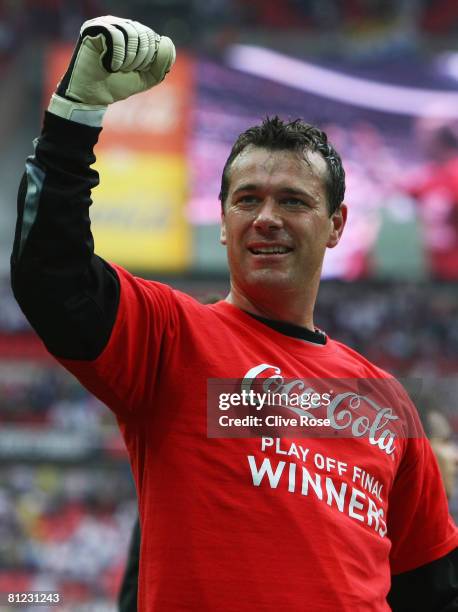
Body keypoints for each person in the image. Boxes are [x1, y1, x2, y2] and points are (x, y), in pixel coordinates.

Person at [11, 15, 458, 612]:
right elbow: (51, 275)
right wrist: (74, 120)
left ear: (336, 226)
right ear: (222, 224)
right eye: (247, 199)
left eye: (294, 200)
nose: (266, 217)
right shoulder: (171, 338)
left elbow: (431, 588)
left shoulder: (387, 402)